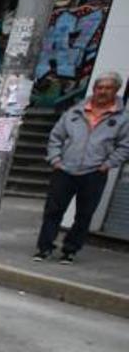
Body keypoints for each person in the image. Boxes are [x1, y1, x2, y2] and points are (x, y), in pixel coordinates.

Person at [34, 72, 129, 264]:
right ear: (93, 89)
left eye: (108, 88)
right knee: (53, 210)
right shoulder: (74, 112)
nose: (102, 92)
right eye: (99, 88)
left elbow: (124, 146)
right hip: (65, 170)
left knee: (84, 214)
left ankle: (70, 250)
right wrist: (55, 160)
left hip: (94, 173)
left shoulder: (122, 119)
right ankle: (44, 248)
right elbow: (56, 137)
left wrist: (107, 165)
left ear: (116, 90)